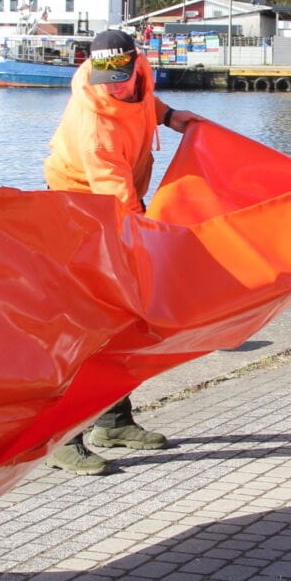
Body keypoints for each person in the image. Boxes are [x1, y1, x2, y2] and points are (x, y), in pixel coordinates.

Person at [42, 29, 200, 474]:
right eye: (105, 76)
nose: (114, 84)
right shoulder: (94, 123)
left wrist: (170, 117)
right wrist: (143, 237)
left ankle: (112, 421)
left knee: (123, 316)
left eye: (121, 74)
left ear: (135, 62)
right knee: (84, 320)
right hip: (79, 208)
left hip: (119, 202)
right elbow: (113, 193)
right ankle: (61, 438)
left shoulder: (139, 78)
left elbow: (145, 101)